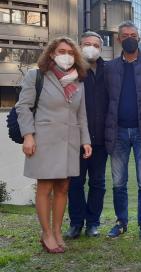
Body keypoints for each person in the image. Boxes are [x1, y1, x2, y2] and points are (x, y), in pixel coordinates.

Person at [15, 36, 91, 253]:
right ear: (51, 53)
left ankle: (57, 231)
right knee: (45, 186)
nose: (66, 55)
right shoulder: (36, 75)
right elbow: (23, 107)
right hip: (44, 140)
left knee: (63, 187)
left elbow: (81, 115)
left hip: (69, 141)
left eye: (70, 51)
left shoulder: (78, 81)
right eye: (61, 51)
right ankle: (46, 233)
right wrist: (28, 135)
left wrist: (86, 140)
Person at [103, 21, 141, 239]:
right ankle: (121, 222)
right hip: (116, 132)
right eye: (125, 35)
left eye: (133, 35)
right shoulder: (109, 68)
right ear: (118, 39)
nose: (130, 38)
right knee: (118, 181)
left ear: (139, 38)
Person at [65, 31, 109, 239]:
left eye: (95, 45)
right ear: (79, 46)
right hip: (75, 138)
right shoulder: (70, 71)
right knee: (75, 182)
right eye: (86, 44)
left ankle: (93, 222)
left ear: (101, 49)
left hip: (100, 139)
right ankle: (76, 223)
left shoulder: (108, 71)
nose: (91, 47)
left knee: (98, 182)